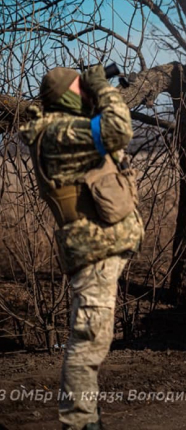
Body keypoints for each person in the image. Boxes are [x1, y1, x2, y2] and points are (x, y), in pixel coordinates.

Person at [18, 65, 143, 430]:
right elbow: (119, 128)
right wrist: (101, 86)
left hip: (99, 251)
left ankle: (87, 418)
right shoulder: (57, 133)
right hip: (93, 254)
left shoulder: (68, 130)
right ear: (67, 94)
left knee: (94, 339)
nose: (88, 90)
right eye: (81, 87)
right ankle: (78, 423)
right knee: (88, 341)